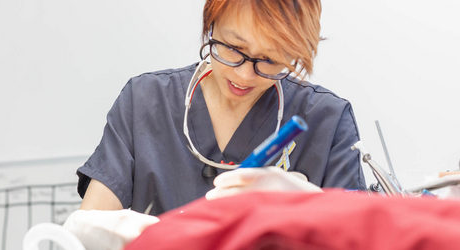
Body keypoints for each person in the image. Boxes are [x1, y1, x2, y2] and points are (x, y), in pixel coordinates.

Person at [65, 0, 366, 248]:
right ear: (211, 24)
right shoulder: (145, 101)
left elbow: (360, 236)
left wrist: (306, 211)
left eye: (270, 60)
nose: (245, 75)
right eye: (234, 48)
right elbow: (90, 224)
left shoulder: (327, 120)